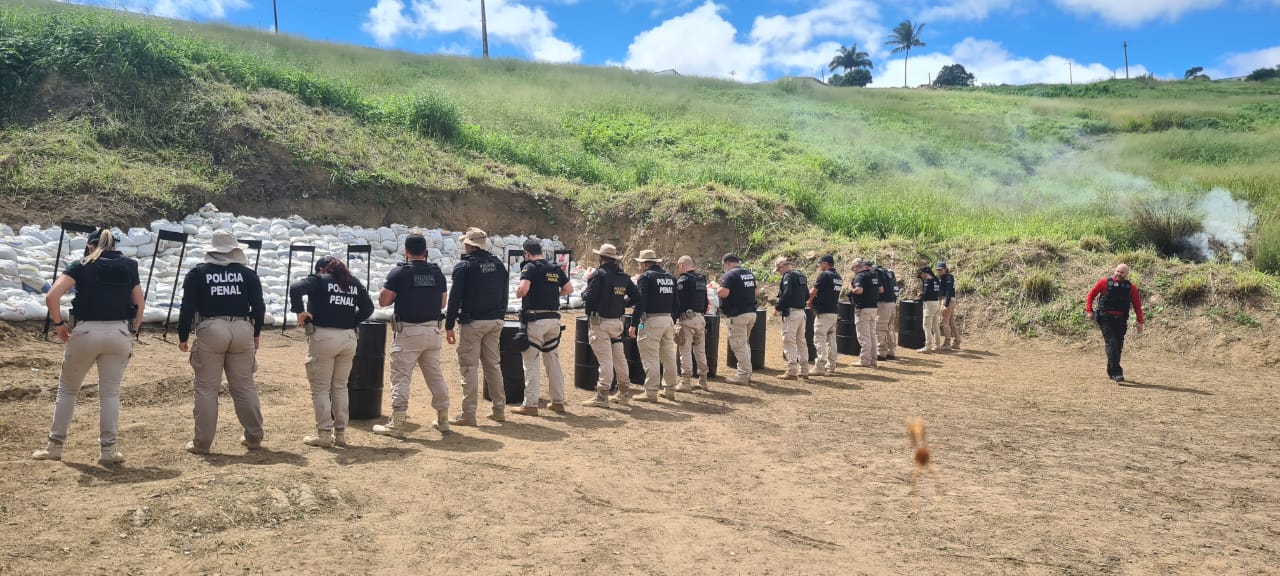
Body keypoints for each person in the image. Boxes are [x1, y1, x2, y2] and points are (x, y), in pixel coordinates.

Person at [32, 229, 144, 464]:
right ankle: (108, 450)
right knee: (110, 393)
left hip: (86, 331)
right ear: (115, 246)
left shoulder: (81, 264)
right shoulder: (130, 266)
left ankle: (54, 446)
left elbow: (52, 296)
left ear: (90, 246)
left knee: (68, 390)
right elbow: (139, 304)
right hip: (119, 332)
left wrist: (59, 324)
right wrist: (132, 331)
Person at [177, 230, 266, 454]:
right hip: (243, 329)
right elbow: (259, 307)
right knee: (244, 386)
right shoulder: (248, 274)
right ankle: (254, 437)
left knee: (207, 389)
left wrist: (183, 336)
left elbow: (187, 307)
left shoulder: (198, 273)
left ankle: (202, 443)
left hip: (211, 328)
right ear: (235, 250)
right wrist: (256, 333)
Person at [289, 256, 373, 447]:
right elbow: (368, 308)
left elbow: (295, 288)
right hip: (348, 338)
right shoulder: (353, 283)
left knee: (320, 388)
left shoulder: (319, 281)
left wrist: (300, 311)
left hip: (323, 337)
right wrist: (352, 321)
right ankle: (340, 434)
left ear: (321, 270)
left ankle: (324, 433)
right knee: (340, 386)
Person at [372, 233, 450, 437]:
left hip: (408, 332)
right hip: (433, 331)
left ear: (405, 251)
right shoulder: (437, 273)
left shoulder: (399, 273)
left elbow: (384, 301)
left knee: (400, 377)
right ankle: (443, 419)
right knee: (435, 376)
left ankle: (397, 423)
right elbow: (443, 303)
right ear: (426, 252)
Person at [444, 228, 509, 425]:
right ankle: (499, 409)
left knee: (469, 367)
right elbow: (505, 294)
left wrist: (449, 325)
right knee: (493, 365)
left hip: (472, 323)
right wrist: (500, 316)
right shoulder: (498, 265)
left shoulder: (464, 267)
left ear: (469, 245)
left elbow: (454, 299)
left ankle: (468, 414)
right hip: (495, 321)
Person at [511, 238, 573, 416]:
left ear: (526, 253)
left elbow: (523, 289)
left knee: (531, 362)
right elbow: (569, 289)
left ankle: (530, 404)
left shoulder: (529, 267)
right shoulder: (554, 268)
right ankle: (558, 401)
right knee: (552, 361)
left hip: (535, 320)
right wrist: (553, 294)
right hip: (553, 320)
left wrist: (518, 293)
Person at [580, 243, 637, 409]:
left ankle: (602, 395)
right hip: (617, 323)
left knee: (605, 361)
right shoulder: (623, 276)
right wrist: (622, 303)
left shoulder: (599, 274)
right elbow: (636, 297)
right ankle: (624, 393)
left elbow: (590, 297)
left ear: (601, 258)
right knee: (619, 358)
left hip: (600, 323)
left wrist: (584, 293)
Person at [631, 249, 679, 401]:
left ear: (645, 264)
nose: (639, 267)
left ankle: (651, 392)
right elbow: (676, 303)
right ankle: (670, 390)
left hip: (651, 321)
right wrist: (673, 320)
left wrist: (633, 323)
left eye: (640, 264)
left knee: (650, 357)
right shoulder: (670, 277)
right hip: (668, 320)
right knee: (668, 356)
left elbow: (641, 302)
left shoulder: (646, 277)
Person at [1085, 264, 1145, 382]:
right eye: (1117, 271)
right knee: (1112, 343)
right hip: (1105, 318)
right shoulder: (1104, 282)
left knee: (1118, 346)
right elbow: (1091, 295)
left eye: (1122, 272)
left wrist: (1140, 322)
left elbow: (1137, 305)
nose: (1119, 274)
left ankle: (1111, 371)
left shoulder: (1131, 288)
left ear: (1126, 274)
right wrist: (1089, 310)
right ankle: (1117, 372)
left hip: (1121, 320)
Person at [712, 253, 758, 385]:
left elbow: (723, 293)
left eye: (723, 265)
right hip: (751, 313)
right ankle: (747, 373)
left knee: (738, 345)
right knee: (744, 344)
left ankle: (743, 375)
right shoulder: (749, 273)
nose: (724, 268)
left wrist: (716, 287)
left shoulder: (730, 275)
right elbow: (755, 292)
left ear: (727, 263)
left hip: (738, 315)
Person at [674, 255, 710, 391]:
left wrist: (675, 317)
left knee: (685, 351)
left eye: (678, 266)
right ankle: (703, 380)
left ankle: (685, 382)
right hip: (700, 318)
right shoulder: (701, 279)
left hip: (687, 320)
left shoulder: (683, 280)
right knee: (700, 351)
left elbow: (679, 302)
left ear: (682, 265)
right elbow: (706, 300)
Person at [774, 256, 810, 379]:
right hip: (801, 313)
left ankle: (792, 370)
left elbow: (787, 293)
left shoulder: (788, 276)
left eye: (779, 270)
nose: (779, 272)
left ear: (782, 266)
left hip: (791, 314)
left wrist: (778, 307)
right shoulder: (801, 275)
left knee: (788, 341)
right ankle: (804, 370)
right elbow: (807, 295)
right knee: (801, 342)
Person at [807, 254, 841, 375]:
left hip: (823, 312)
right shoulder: (838, 276)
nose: (820, 266)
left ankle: (820, 366)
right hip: (834, 311)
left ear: (825, 264)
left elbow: (813, 290)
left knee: (819, 338)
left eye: (821, 263)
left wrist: (809, 301)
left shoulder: (825, 275)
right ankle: (831, 365)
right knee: (831, 339)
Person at [849, 258, 881, 367]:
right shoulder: (874, 275)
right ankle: (873, 359)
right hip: (873, 308)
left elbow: (859, 290)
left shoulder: (860, 276)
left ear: (856, 267)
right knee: (872, 335)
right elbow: (881, 290)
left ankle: (864, 360)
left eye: (853, 268)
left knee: (864, 336)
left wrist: (851, 290)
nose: (853, 271)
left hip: (863, 309)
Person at [874, 260, 899, 361]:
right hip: (892, 303)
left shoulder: (876, 273)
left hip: (883, 304)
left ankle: (881, 353)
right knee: (890, 329)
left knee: (880, 328)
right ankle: (891, 351)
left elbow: (879, 289)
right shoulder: (888, 273)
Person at [916, 266, 942, 353]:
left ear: (924, 273)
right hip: (936, 303)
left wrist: (921, 294)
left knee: (926, 326)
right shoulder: (936, 279)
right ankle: (937, 345)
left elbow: (926, 293)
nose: (921, 276)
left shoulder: (928, 280)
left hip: (929, 304)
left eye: (921, 274)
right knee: (935, 326)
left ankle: (928, 347)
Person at [936, 262, 960, 350]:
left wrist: (945, 304)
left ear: (945, 269)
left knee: (944, 322)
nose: (939, 271)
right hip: (949, 300)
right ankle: (957, 341)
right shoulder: (944, 277)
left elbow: (949, 291)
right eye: (938, 269)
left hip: (947, 300)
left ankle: (947, 343)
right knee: (950, 321)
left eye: (941, 269)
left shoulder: (948, 277)